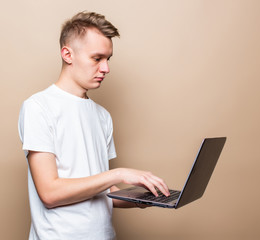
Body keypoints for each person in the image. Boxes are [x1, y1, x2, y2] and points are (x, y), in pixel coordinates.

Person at [18, 11, 170, 240]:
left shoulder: (102, 116)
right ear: (68, 54)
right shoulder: (38, 107)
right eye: (97, 58)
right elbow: (50, 193)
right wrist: (118, 173)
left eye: (108, 59)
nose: (106, 68)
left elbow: (104, 191)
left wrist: (145, 198)